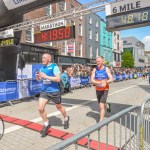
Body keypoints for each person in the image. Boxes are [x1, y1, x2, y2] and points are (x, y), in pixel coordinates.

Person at [36, 53, 69, 137]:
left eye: (44, 58)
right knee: (40, 108)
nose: (42, 59)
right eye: (42, 58)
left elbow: (58, 79)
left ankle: (66, 118)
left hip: (54, 91)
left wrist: (46, 76)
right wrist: (37, 77)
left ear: (49, 59)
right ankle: (47, 124)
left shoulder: (54, 66)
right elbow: (40, 80)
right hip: (45, 91)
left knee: (59, 107)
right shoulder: (41, 68)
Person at [91, 56, 113, 122]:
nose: (97, 63)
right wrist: (98, 82)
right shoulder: (95, 69)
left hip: (105, 89)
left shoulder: (106, 69)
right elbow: (92, 79)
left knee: (101, 106)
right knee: (102, 104)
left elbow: (111, 79)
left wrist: (105, 82)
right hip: (97, 89)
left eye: (99, 61)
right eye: (96, 61)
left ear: (102, 62)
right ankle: (108, 105)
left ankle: (100, 122)